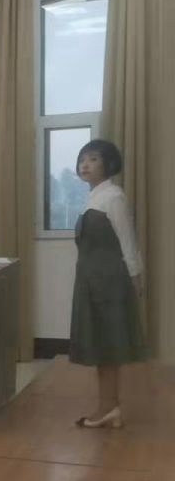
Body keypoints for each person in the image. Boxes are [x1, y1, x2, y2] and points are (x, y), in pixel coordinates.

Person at [70, 140, 147, 429]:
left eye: (93, 159)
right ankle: (109, 407)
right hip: (91, 279)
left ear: (109, 164)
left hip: (110, 281)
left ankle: (108, 407)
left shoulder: (114, 196)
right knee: (101, 347)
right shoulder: (92, 198)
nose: (85, 164)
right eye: (82, 159)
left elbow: (128, 242)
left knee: (108, 347)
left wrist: (135, 280)